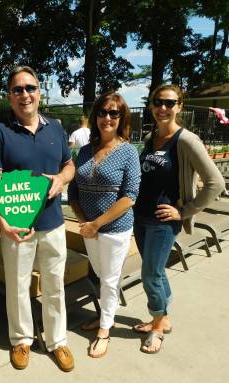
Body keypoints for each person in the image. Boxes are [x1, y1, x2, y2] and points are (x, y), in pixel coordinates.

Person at [0, 65, 76, 372]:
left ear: (40, 92)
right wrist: (2, 221)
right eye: (18, 90)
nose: (25, 94)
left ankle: (57, 340)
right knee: (18, 286)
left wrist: (62, 179)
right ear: (10, 97)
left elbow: (69, 166)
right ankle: (21, 339)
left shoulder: (57, 128)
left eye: (30, 88)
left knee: (54, 285)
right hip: (18, 226)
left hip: (53, 224)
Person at [133, 84, 225, 354]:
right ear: (152, 105)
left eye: (170, 103)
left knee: (150, 274)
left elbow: (215, 183)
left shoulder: (186, 140)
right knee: (157, 272)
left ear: (179, 107)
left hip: (164, 220)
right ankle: (163, 317)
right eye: (158, 102)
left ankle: (158, 325)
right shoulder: (150, 138)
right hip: (141, 217)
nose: (163, 108)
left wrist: (184, 212)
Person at [68, 93, 141, 358]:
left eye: (114, 113)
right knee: (100, 274)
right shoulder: (86, 150)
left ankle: (104, 330)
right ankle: (104, 318)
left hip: (114, 229)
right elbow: (73, 189)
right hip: (89, 228)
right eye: (102, 112)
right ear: (95, 116)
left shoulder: (128, 152)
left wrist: (97, 224)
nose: (107, 118)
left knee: (110, 280)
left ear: (122, 118)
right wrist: (82, 221)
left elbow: (130, 196)